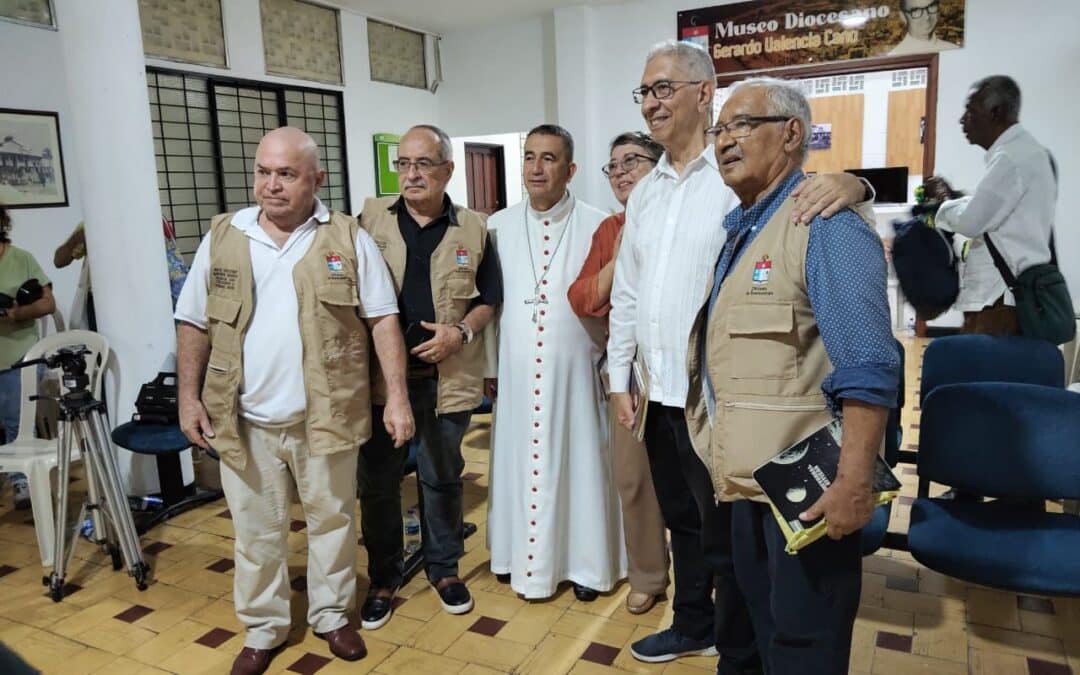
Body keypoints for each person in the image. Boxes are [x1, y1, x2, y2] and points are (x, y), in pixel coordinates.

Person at [607, 40, 874, 668]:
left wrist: (855, 185)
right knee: (687, 523)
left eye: (663, 88)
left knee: (735, 541)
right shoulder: (646, 192)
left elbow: (816, 216)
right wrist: (620, 374)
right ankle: (696, 622)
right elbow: (629, 290)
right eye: (644, 92)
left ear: (705, 92)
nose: (651, 103)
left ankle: (740, 640)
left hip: (728, 406)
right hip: (660, 393)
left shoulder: (738, 178)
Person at [175, 127, 414, 675]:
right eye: (263, 172)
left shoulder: (347, 238)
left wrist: (395, 398)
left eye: (286, 174)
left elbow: (382, 321)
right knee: (257, 534)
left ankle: (332, 616)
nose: (271, 185)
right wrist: (189, 397)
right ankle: (264, 627)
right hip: (244, 421)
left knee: (332, 520)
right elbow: (192, 322)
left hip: (326, 418)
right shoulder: (224, 236)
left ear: (316, 180)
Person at [689, 76, 900, 675]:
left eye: (741, 126)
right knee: (762, 638)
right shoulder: (745, 227)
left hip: (807, 497)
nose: (724, 141)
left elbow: (868, 369)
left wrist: (855, 482)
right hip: (749, 488)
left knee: (804, 651)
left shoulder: (825, 225)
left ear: (791, 135)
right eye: (719, 130)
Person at [356, 124, 501, 627]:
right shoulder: (370, 218)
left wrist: (459, 332)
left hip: (449, 378)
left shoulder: (475, 228)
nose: (411, 174)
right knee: (377, 482)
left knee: (442, 477)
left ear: (447, 170)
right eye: (404, 164)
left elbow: (489, 299)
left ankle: (444, 569)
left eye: (423, 164)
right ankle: (383, 576)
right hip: (379, 381)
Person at [486, 124, 626, 601]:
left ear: (571, 169)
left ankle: (586, 567)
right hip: (519, 373)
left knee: (584, 465)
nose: (536, 168)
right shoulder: (497, 226)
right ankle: (513, 557)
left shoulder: (599, 224)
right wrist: (489, 366)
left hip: (579, 372)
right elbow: (489, 307)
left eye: (548, 158)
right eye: (529, 157)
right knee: (518, 464)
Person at [567, 131, 668, 615]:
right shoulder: (610, 229)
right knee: (633, 479)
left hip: (684, 369)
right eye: (613, 166)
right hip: (628, 372)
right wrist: (623, 247)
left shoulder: (684, 215)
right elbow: (584, 298)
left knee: (693, 483)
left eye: (634, 161)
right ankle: (649, 573)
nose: (621, 172)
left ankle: (702, 580)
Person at [925, 75, 1057, 336]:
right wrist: (958, 200)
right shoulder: (1027, 153)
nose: (963, 119)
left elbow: (971, 222)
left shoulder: (1011, 159)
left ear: (996, 113)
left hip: (1000, 299)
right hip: (1011, 293)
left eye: (971, 111)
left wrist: (942, 202)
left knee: (983, 371)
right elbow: (991, 209)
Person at [0, 205, 57, 510]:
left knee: (16, 418)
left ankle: (22, 480)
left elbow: (48, 303)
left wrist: (16, 313)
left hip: (18, 354)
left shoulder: (21, 259)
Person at [888, 0, 958, 56]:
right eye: (916, 10)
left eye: (931, 6)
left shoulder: (953, 49)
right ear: (903, 16)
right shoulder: (895, 56)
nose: (927, 17)